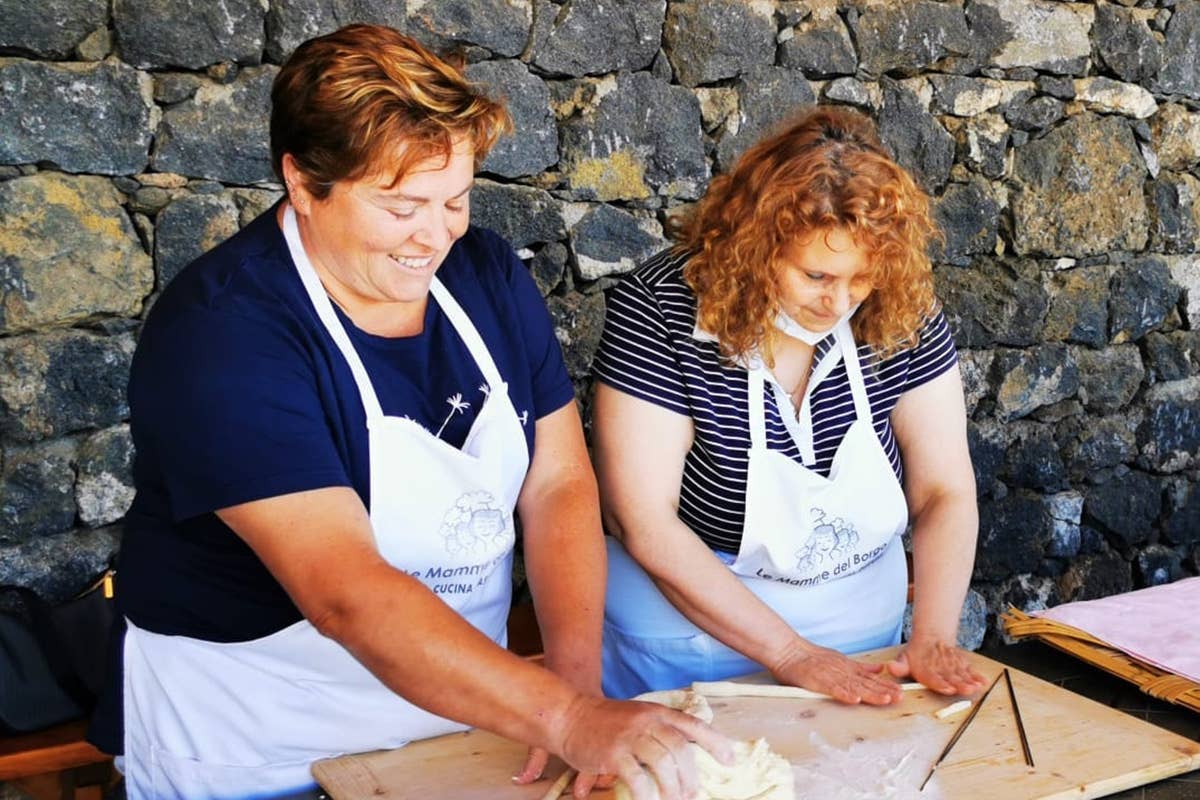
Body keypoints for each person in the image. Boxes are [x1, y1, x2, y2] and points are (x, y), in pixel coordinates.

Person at [89, 24, 730, 800]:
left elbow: (558, 483)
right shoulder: (224, 331)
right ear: (303, 184)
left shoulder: (485, 276)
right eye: (400, 208)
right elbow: (345, 590)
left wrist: (570, 683)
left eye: (454, 200)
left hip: (476, 716)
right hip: (264, 744)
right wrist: (562, 718)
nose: (434, 237)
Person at [592, 106, 988, 704]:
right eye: (815, 276)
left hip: (865, 639)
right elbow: (642, 520)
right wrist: (789, 652)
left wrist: (932, 635)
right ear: (757, 244)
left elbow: (944, 491)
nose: (839, 304)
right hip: (690, 641)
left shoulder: (901, 307)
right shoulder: (659, 309)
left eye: (860, 280)